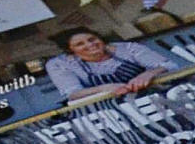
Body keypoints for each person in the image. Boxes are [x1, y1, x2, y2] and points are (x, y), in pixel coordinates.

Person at [43, 29, 177, 104]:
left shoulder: (128, 48)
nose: (90, 45)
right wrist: (104, 88)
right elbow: (73, 94)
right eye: (80, 44)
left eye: (92, 39)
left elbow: (168, 65)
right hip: (109, 110)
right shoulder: (59, 64)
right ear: (70, 50)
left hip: (154, 98)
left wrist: (148, 74)